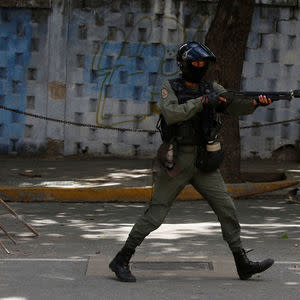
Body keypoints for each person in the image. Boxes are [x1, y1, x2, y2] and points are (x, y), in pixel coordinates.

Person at [108, 41, 274, 282]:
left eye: (203, 63)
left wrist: (256, 103)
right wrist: (202, 102)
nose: (199, 67)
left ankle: (242, 262)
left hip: (204, 160)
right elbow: (172, 113)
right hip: (177, 160)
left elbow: (232, 105)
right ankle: (121, 259)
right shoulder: (171, 86)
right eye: (195, 62)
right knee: (156, 213)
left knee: (226, 207)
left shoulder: (211, 87)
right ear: (183, 64)